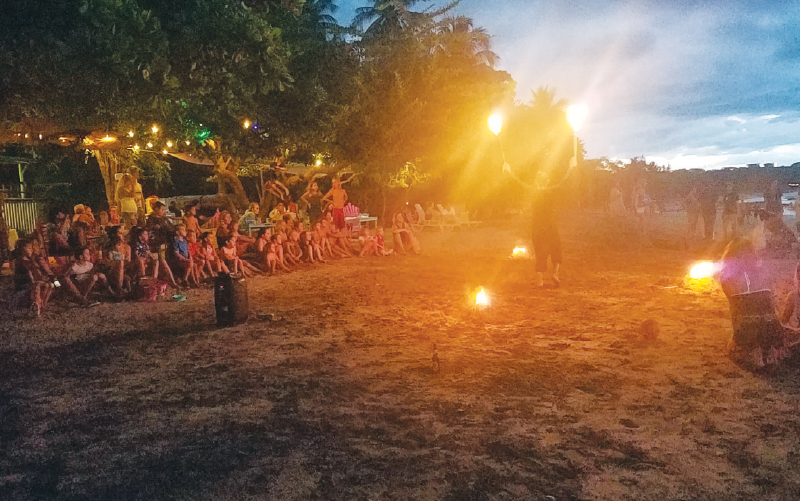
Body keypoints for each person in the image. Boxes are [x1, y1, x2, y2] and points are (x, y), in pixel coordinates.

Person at [717, 237, 799, 368]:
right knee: (779, 329)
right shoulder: (763, 272)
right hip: (771, 330)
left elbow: (737, 306)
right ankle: (769, 350)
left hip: (745, 330)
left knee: (735, 343)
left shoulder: (726, 276)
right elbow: (772, 306)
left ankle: (754, 352)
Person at [530, 171, 562, 288]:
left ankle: (540, 281)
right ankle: (555, 274)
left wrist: (507, 170)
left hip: (538, 226)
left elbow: (519, 185)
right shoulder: (551, 191)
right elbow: (562, 183)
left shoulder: (533, 193)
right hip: (550, 225)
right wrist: (572, 166)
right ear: (547, 181)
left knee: (540, 253)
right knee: (557, 249)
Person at [14, 238, 55, 317]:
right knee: (40, 286)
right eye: (29, 248)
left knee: (50, 285)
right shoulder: (22, 261)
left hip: (36, 280)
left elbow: (46, 270)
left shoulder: (35, 259)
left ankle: (43, 304)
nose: (32, 250)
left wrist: (54, 280)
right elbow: (29, 274)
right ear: (23, 249)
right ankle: (37, 305)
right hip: (25, 284)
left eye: (32, 247)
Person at [146, 202, 179, 288]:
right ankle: (171, 282)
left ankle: (169, 281)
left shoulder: (164, 219)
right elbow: (151, 232)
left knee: (163, 263)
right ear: (156, 209)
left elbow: (171, 228)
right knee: (161, 263)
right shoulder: (151, 220)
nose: (163, 211)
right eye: (162, 209)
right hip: (156, 245)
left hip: (166, 244)